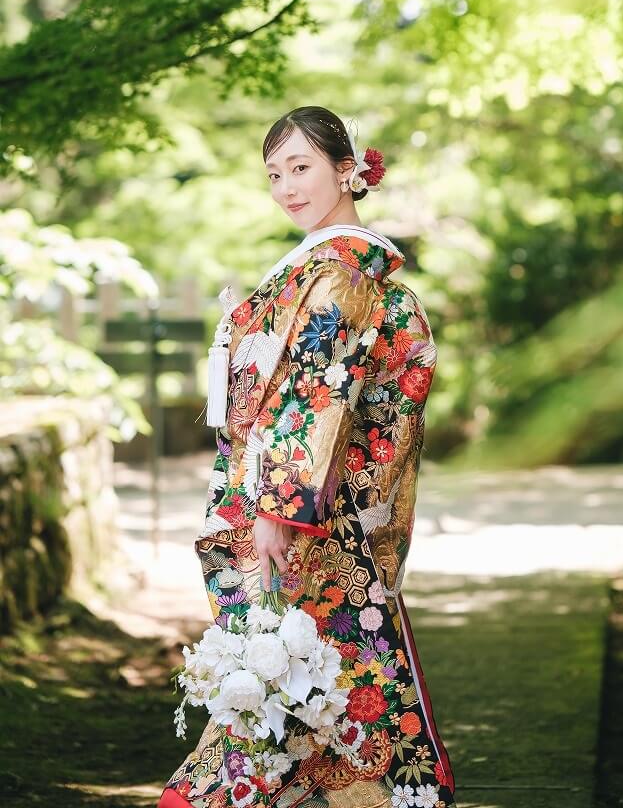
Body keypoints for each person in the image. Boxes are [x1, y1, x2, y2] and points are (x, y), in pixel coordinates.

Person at [159, 105, 457, 808]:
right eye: (274, 173)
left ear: (346, 171)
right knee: (320, 686)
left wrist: (276, 511)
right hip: (312, 511)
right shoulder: (318, 266)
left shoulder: (340, 274)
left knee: (305, 682)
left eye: (302, 168)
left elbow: (318, 399)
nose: (287, 187)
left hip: (310, 521)